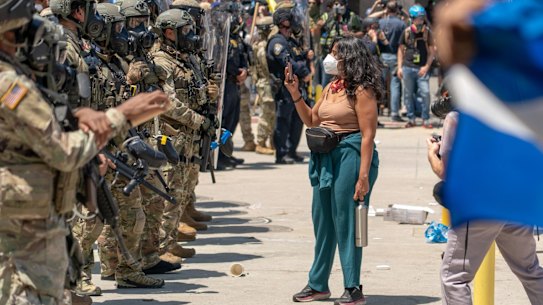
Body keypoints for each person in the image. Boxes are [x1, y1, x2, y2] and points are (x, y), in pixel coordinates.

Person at [0, 1, 169, 303]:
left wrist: (77, 119)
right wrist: (120, 117)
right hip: (21, 222)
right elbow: (63, 153)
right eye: (25, 25)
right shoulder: (9, 85)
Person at [429, 2, 543, 304]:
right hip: (516, 199)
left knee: (454, 276)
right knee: (530, 269)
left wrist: (433, 157)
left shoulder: (460, 118)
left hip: (483, 206)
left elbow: (449, 173)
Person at [284, 37, 380, 305]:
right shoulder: (331, 88)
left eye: (335, 53)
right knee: (323, 221)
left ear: (348, 58)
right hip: (324, 158)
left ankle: (353, 287)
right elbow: (312, 120)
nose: (329, 57)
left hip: (350, 156)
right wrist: (295, 94)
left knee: (347, 222)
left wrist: (363, 177)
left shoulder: (362, 91)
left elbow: (368, 136)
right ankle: (317, 284)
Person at [267, 4, 311, 164]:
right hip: (284, 87)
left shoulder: (290, 41)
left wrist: (307, 56)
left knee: (297, 120)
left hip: (296, 87)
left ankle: (292, 150)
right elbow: (288, 62)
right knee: (283, 120)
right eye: (285, 26)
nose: (289, 30)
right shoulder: (277, 42)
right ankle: (282, 152)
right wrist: (304, 71)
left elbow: (300, 55)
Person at [397, 4, 434, 128]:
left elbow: (432, 52)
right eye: (418, 18)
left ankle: (426, 118)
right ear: (412, 18)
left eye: (422, 18)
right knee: (408, 94)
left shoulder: (428, 33)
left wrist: (426, 67)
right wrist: (400, 67)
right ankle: (411, 119)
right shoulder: (406, 32)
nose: (421, 20)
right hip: (407, 67)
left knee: (425, 93)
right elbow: (400, 50)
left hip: (422, 68)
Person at [377, 0, 405, 122]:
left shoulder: (380, 22)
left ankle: (377, 112)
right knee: (395, 85)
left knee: (379, 85)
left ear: (387, 10)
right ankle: (394, 112)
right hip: (395, 55)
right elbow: (403, 43)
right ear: (397, 10)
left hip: (382, 56)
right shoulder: (401, 24)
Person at [253, 16, 276, 155]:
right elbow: (266, 67)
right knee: (266, 114)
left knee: (272, 114)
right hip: (266, 83)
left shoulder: (264, 44)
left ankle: (270, 142)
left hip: (268, 83)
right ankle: (260, 142)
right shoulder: (262, 46)